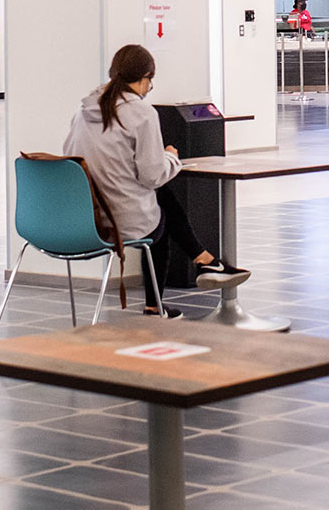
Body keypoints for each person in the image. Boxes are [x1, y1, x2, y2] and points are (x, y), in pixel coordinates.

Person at [62, 45, 247, 318]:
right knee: (158, 213)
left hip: (82, 217)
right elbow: (152, 175)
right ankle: (184, 278)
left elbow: (70, 159)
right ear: (146, 76)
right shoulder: (142, 113)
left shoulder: (82, 112)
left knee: (157, 200)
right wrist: (170, 157)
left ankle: (203, 261)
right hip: (120, 221)